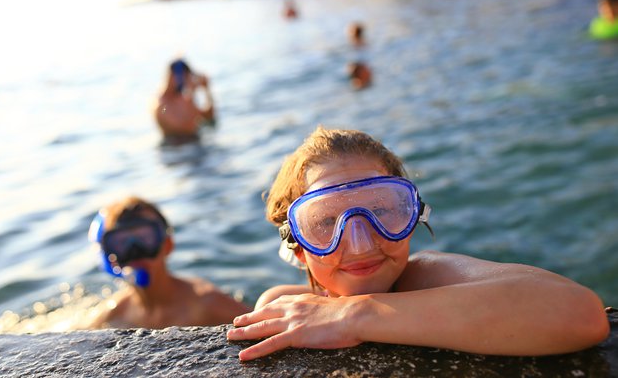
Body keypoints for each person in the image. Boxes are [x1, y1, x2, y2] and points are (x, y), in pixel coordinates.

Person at [227, 127, 609, 361]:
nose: (360, 244)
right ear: (297, 245)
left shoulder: (424, 277)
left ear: (412, 216)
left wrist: (353, 315)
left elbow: (582, 315)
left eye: (383, 210)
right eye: (326, 222)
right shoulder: (284, 308)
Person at [83, 196, 250, 329]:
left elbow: (260, 322)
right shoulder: (116, 312)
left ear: (168, 245)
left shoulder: (205, 304)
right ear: (108, 257)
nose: (135, 251)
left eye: (145, 237)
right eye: (121, 242)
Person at [154, 58, 215, 141]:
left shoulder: (182, 98)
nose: (186, 81)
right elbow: (189, 127)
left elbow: (209, 117)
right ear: (172, 76)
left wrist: (206, 90)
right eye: (185, 77)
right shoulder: (162, 105)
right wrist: (191, 92)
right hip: (177, 150)